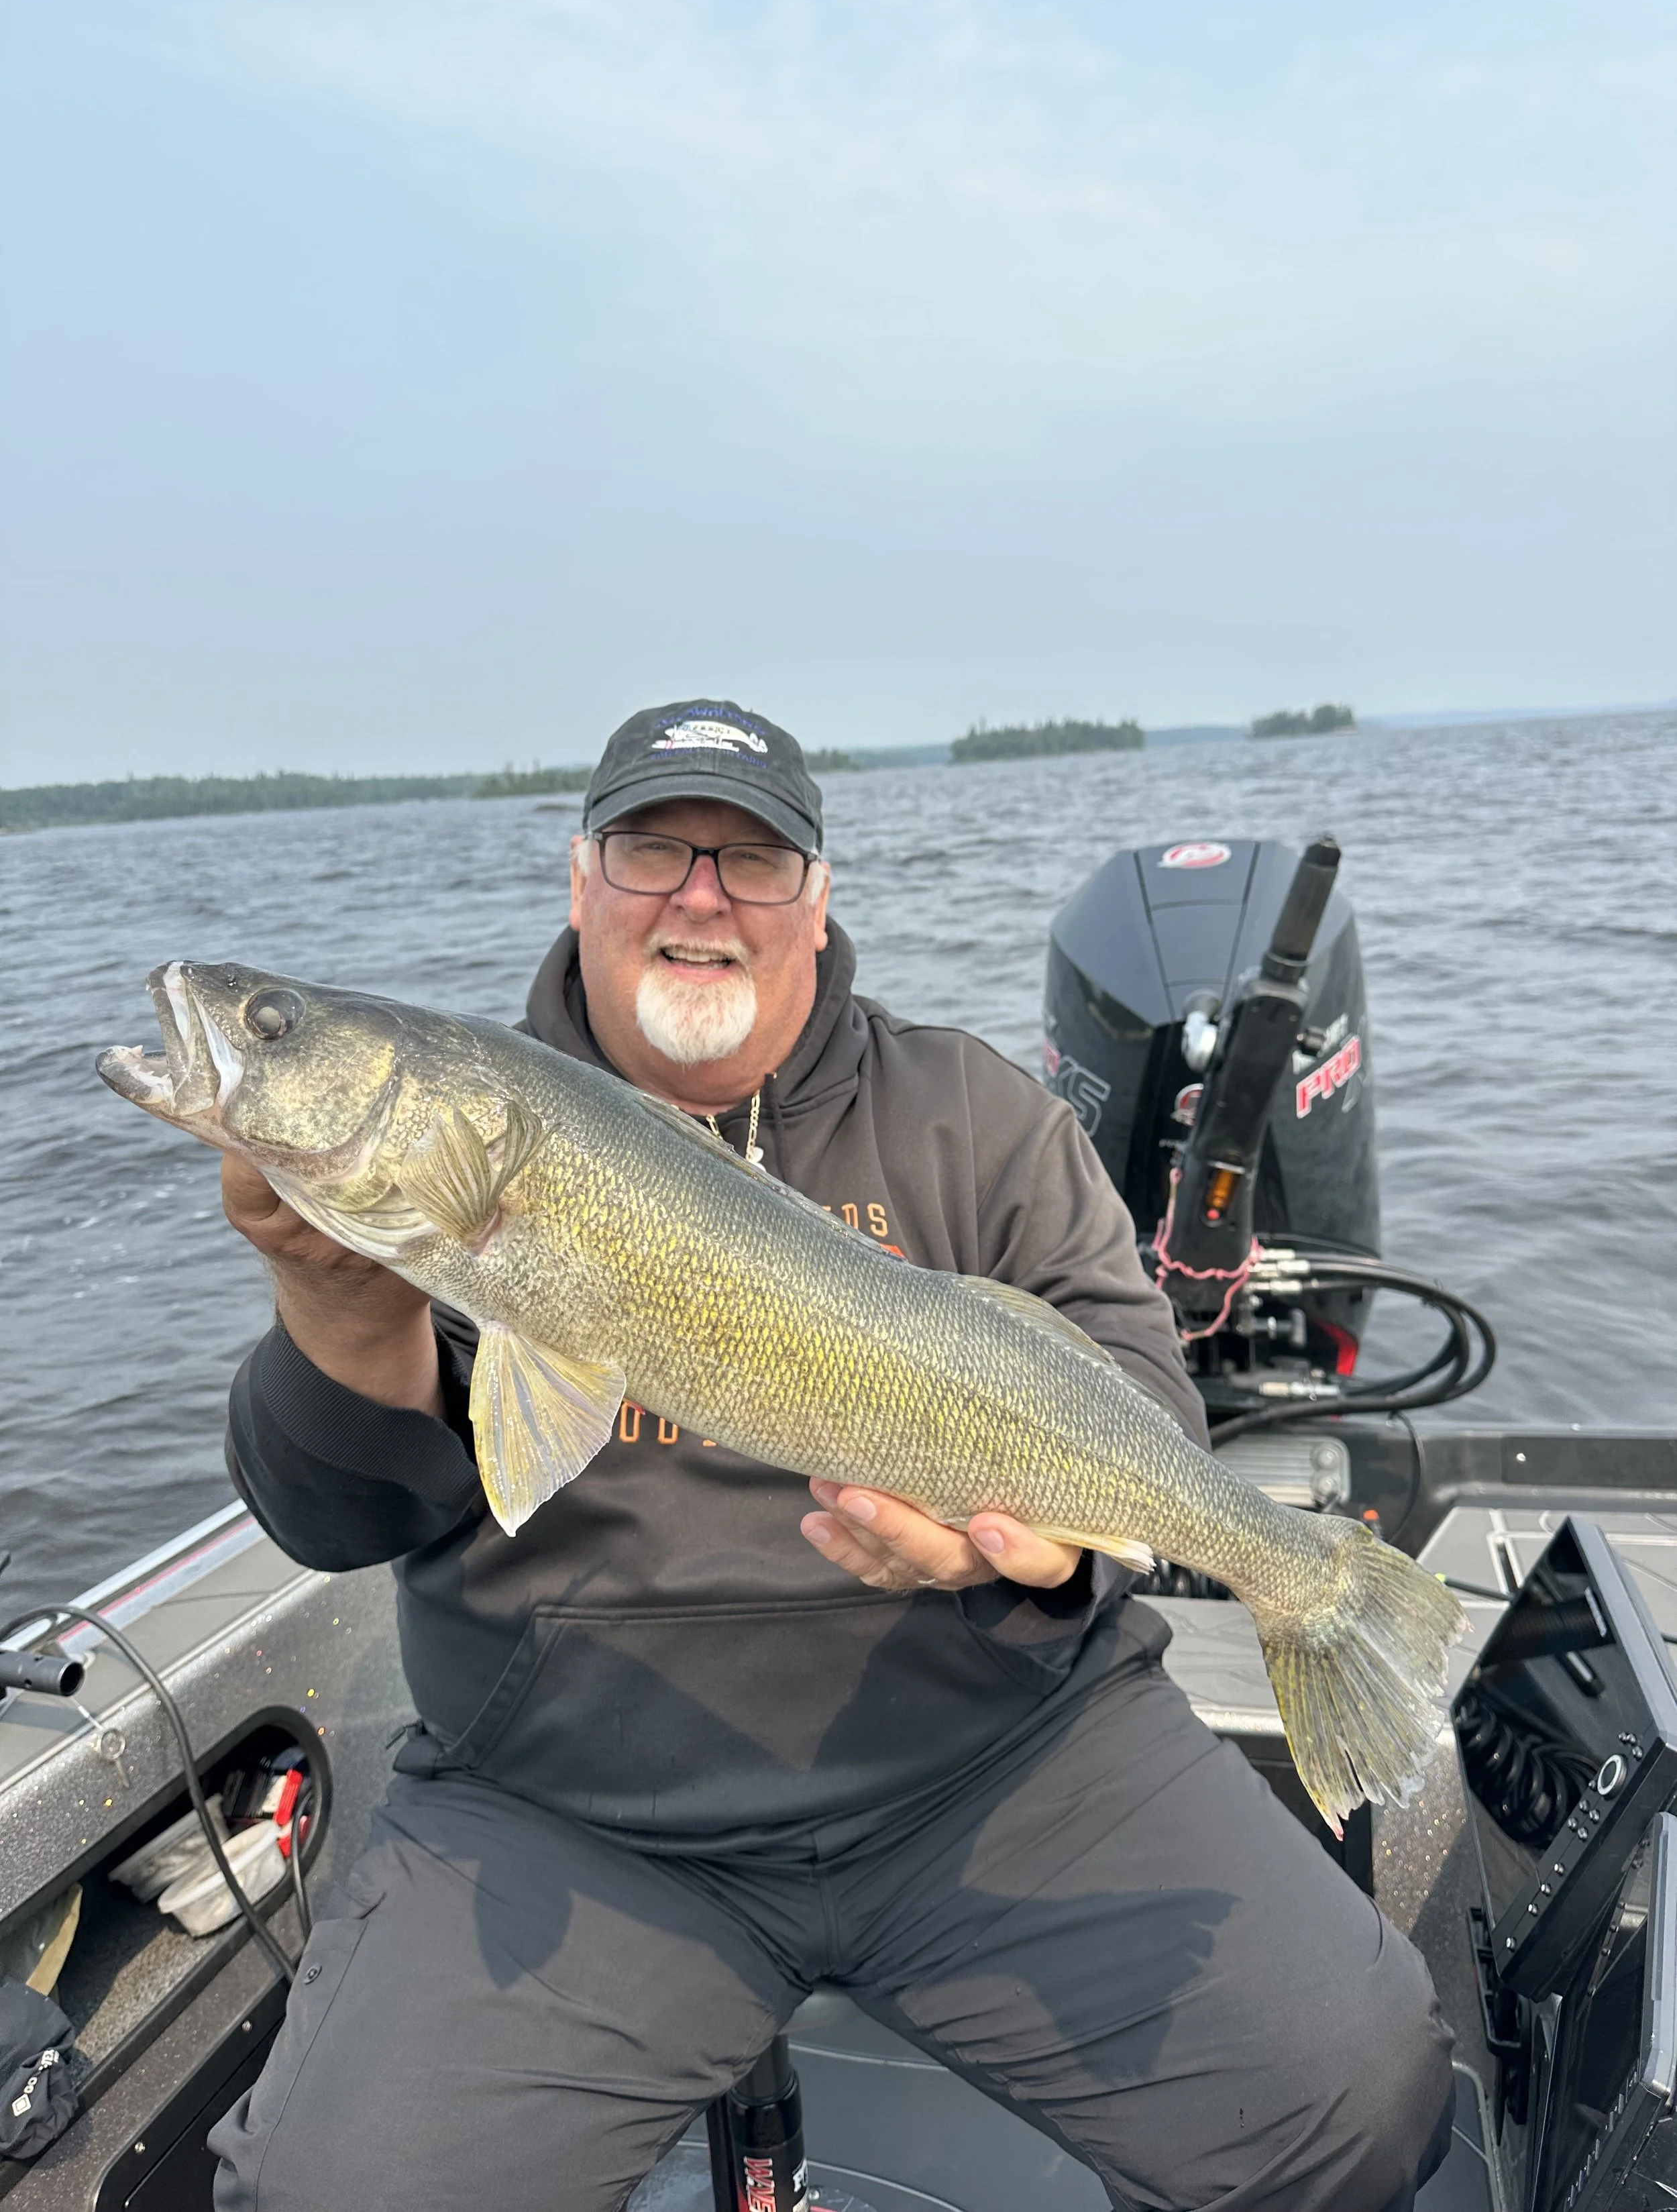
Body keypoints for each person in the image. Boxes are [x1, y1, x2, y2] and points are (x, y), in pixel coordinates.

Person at [209, 700, 1454, 2212]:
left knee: (1353, 2096)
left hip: (996, 1758)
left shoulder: (978, 1115)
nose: (699, 894)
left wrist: (1046, 1554)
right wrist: (339, 1309)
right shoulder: (480, 1136)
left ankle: (1315, 1597)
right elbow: (338, 1516)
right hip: (570, 1808)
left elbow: (1135, 1391)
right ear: (579, 879)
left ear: (817, 898)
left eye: (753, 859)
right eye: (652, 847)